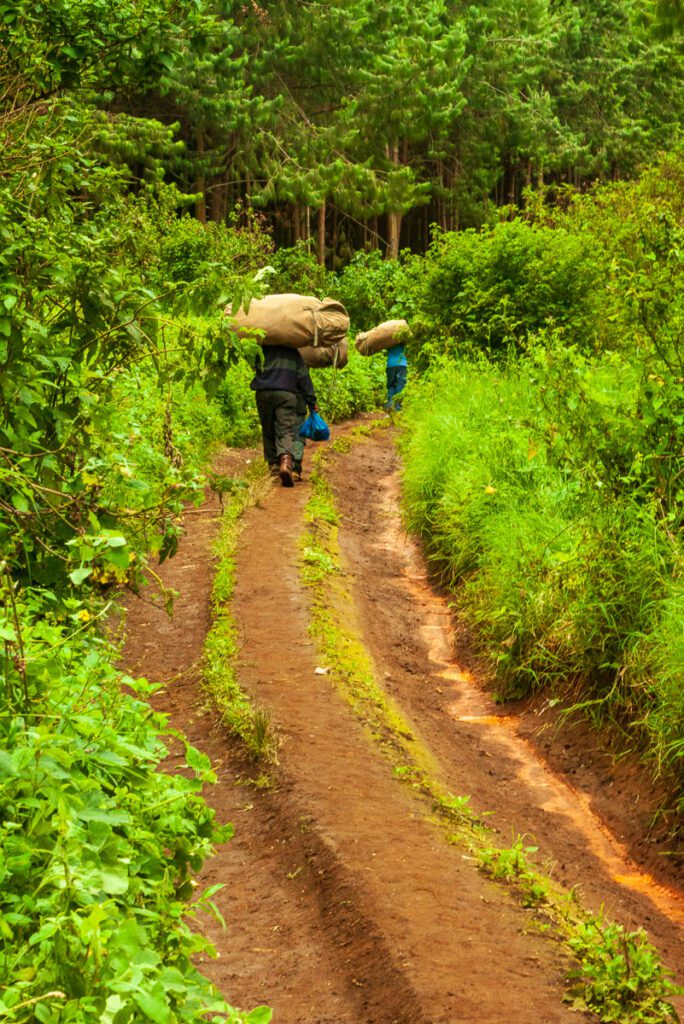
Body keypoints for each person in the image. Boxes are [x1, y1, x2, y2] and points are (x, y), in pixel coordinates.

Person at [250, 344, 318, 487]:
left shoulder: (262, 350)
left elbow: (255, 367)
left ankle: (274, 468)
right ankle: (286, 462)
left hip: (263, 393)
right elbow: (304, 378)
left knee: (268, 430)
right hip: (287, 394)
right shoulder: (294, 353)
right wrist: (312, 402)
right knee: (285, 430)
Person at [292, 361, 318, 482]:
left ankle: (279, 464)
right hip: (298, 402)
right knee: (298, 434)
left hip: (279, 403)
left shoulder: (271, 352)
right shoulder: (299, 358)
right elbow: (306, 384)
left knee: (281, 431)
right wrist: (312, 403)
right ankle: (295, 469)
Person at [386, 341, 408, 411]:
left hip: (390, 365)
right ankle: (398, 408)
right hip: (402, 364)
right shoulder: (401, 337)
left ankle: (390, 405)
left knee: (391, 385)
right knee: (400, 385)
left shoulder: (387, 339)